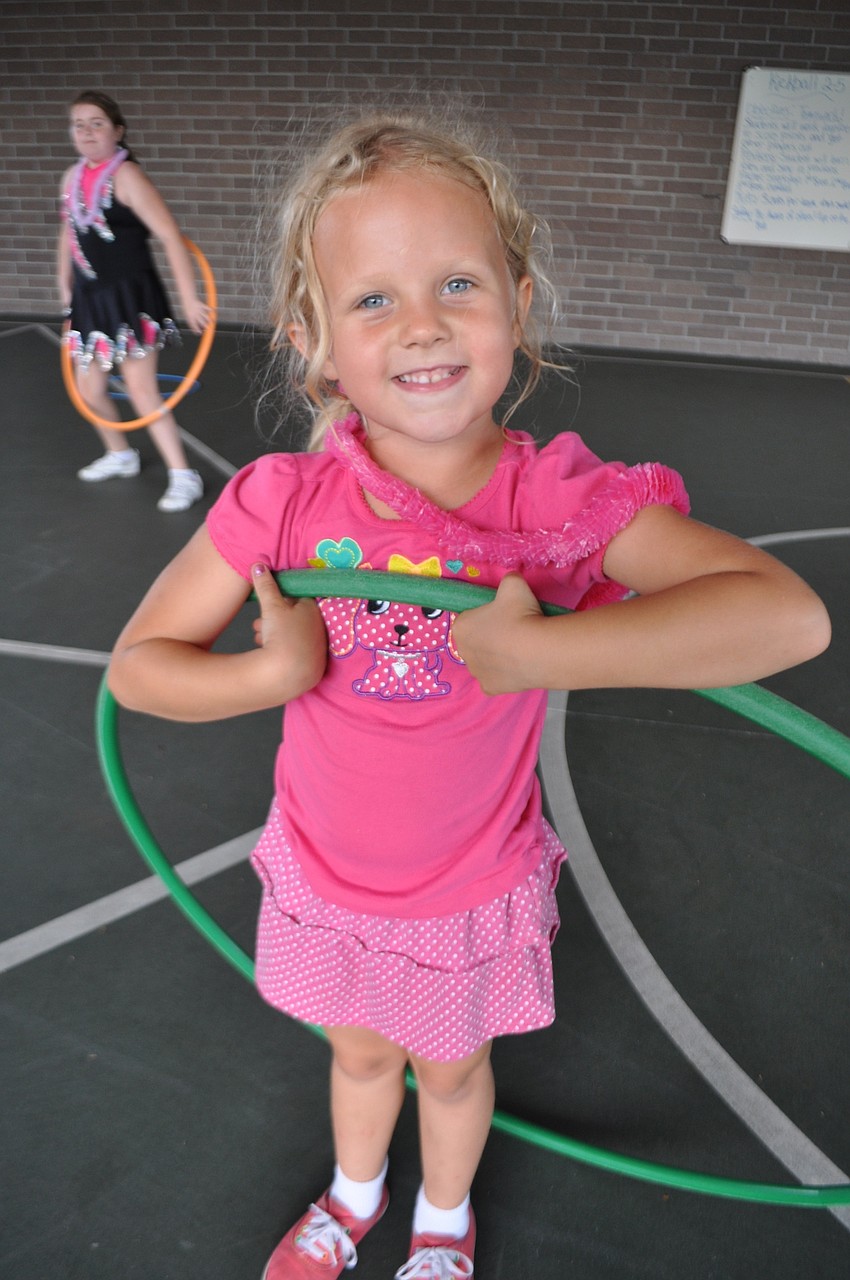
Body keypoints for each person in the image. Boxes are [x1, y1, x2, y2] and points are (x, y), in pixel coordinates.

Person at [107, 109, 831, 1279]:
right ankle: (352, 1195)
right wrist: (272, 671)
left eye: (457, 281)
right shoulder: (283, 505)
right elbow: (139, 670)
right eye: (374, 299)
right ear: (311, 338)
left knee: (445, 1065)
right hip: (329, 878)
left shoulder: (549, 504)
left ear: (517, 300)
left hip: (464, 892)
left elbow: (785, 616)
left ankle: (440, 1222)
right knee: (354, 1057)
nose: (424, 324)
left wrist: (542, 653)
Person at [58, 90, 210, 512]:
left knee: (142, 391)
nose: (87, 131)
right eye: (79, 124)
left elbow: (169, 237)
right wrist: (66, 294)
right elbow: (68, 238)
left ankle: (184, 475)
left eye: (97, 123)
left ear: (117, 131)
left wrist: (190, 299)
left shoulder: (128, 178)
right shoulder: (70, 178)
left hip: (131, 298)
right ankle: (119, 454)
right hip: (89, 300)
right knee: (89, 390)